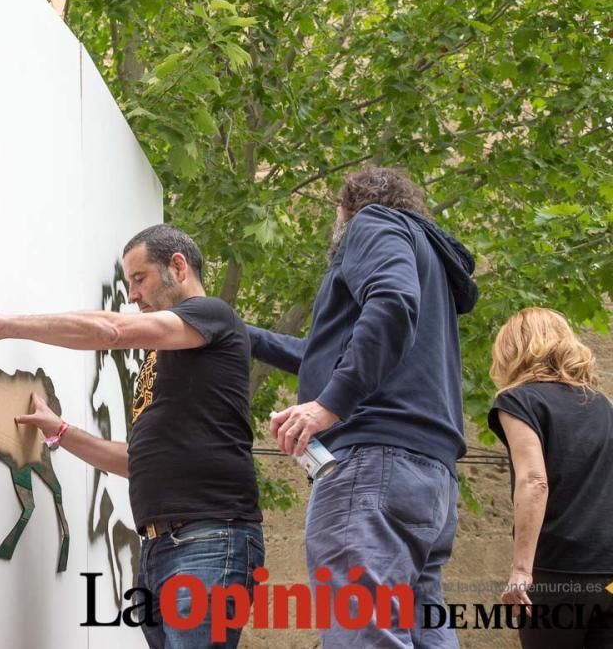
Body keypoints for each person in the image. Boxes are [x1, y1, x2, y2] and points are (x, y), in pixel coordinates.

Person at [0, 224, 263, 649]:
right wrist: (62, 433)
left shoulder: (213, 314)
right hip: (158, 550)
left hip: (208, 539)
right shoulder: (169, 360)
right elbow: (137, 463)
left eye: (140, 279)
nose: (132, 295)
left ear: (178, 266)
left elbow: (109, 331)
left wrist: (5, 325)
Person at [247, 167, 478, 648]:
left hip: (373, 466)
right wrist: (239, 334)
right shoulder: (427, 257)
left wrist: (329, 406)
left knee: (365, 634)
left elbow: (391, 305)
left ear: (346, 208)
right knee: (422, 631)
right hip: (429, 480)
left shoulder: (372, 224)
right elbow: (329, 351)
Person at [488, 307, 613, 649]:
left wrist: (521, 570)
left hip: (558, 576)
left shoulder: (517, 400)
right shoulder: (604, 405)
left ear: (512, 349)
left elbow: (534, 482)